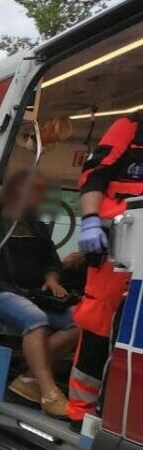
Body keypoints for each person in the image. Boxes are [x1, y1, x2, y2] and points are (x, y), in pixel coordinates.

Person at [0, 170, 79, 419]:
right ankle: (49, 393)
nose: (42, 197)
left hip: (34, 293)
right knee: (36, 320)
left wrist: (52, 279)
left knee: (81, 321)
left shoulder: (36, 226)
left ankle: (28, 377)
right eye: (37, 191)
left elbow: (51, 262)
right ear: (18, 191)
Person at [68, 113, 142, 425]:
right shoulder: (132, 127)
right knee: (99, 325)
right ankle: (80, 412)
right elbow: (93, 174)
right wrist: (90, 221)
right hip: (117, 245)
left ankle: (120, 413)